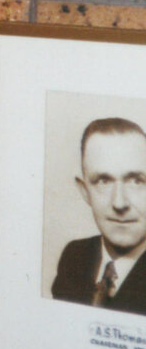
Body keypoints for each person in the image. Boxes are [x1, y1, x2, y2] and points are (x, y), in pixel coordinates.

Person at [51, 118, 146, 312]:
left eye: (136, 181)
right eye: (103, 181)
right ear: (85, 191)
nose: (119, 203)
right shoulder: (74, 256)